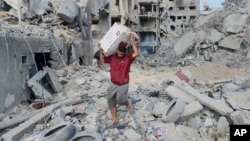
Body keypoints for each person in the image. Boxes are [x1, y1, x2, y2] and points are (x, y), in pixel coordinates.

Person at [99, 33, 139, 126]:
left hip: (123, 84)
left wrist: (132, 41)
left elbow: (136, 53)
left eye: (122, 54)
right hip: (113, 83)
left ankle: (127, 102)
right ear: (117, 51)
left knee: (121, 100)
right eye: (119, 53)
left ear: (125, 53)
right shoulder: (112, 57)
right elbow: (102, 59)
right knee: (110, 100)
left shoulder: (128, 58)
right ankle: (115, 119)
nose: (120, 55)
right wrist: (100, 50)